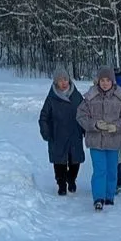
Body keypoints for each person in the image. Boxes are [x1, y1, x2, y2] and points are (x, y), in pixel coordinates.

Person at [76, 66, 121, 211]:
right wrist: (94, 124)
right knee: (100, 170)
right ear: (98, 81)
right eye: (102, 80)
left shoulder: (120, 96)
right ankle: (98, 198)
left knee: (112, 170)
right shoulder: (90, 96)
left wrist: (117, 126)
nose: (105, 83)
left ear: (112, 81)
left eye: (108, 80)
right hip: (96, 140)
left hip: (114, 141)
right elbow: (80, 116)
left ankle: (109, 196)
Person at [38, 68, 85, 196]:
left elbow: (85, 113)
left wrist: (86, 129)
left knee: (75, 161)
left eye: (65, 79)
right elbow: (44, 117)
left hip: (75, 134)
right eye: (60, 80)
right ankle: (61, 184)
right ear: (55, 82)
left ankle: (71, 179)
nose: (64, 82)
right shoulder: (51, 98)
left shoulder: (77, 96)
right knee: (59, 162)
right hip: (57, 135)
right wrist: (46, 131)